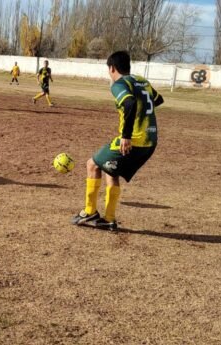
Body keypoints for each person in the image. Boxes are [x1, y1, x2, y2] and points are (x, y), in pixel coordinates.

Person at [71, 51, 164, 230]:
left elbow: (128, 103)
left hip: (134, 140)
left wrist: (126, 136)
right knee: (110, 170)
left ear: (112, 68)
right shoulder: (142, 81)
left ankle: (90, 211)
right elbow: (158, 100)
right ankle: (109, 219)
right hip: (150, 141)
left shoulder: (119, 84)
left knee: (92, 164)